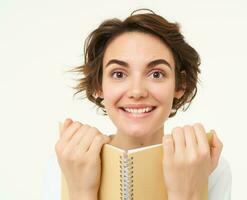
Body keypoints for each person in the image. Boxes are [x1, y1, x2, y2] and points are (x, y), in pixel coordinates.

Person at [44, 8, 232, 200]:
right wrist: (80, 192)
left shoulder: (206, 165)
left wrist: (186, 193)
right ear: (98, 85)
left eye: (156, 74)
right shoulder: (65, 163)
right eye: (119, 74)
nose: (137, 92)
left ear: (180, 85)